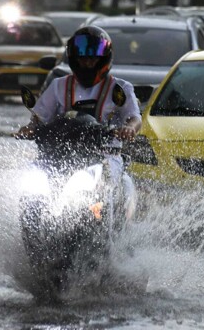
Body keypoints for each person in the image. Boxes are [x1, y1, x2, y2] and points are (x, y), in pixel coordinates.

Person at [16, 25, 142, 219]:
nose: (88, 62)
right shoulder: (58, 85)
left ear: (104, 57)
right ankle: (33, 222)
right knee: (32, 184)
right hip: (59, 153)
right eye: (82, 57)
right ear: (74, 58)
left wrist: (129, 129)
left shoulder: (120, 88)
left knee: (104, 191)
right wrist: (30, 128)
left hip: (104, 155)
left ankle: (104, 226)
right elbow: (39, 117)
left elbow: (134, 118)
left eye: (93, 57)